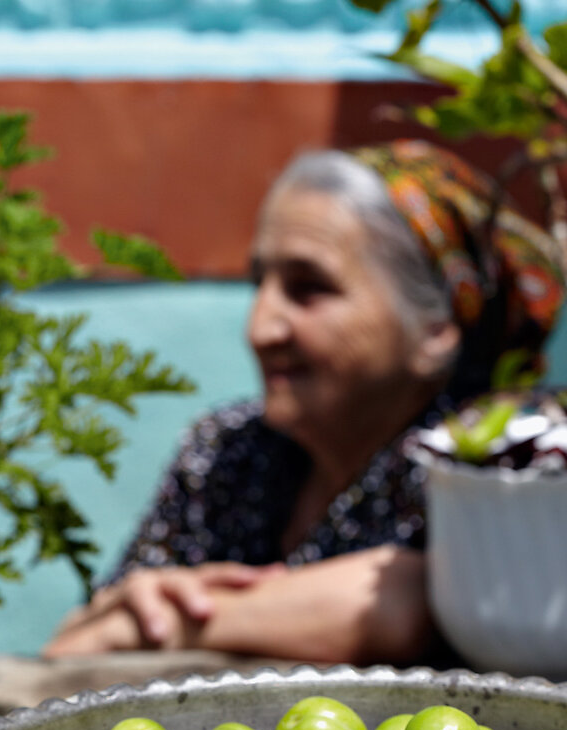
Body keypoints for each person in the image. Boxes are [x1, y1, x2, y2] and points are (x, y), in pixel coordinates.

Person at [43, 139, 565, 665]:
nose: (260, 327)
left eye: (309, 289)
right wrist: (128, 618)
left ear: (435, 330)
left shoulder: (489, 458)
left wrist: (181, 621)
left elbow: (398, 605)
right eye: (259, 283)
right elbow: (80, 640)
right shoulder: (227, 454)